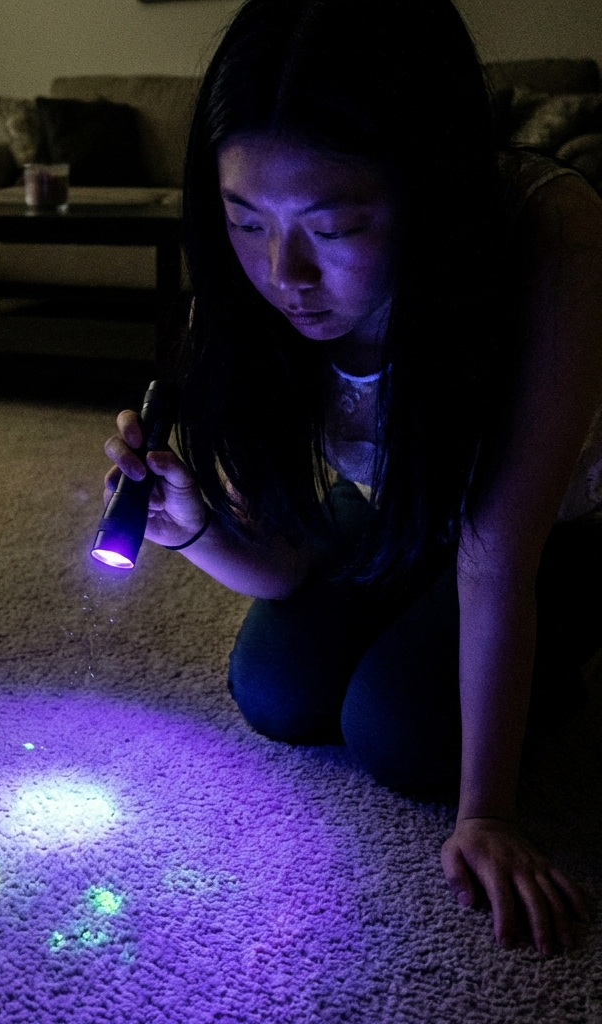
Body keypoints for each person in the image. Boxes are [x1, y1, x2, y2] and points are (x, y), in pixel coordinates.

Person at [103, 0, 602, 956]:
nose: (283, 271)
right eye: (245, 219)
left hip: (556, 530)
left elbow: (498, 559)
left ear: (426, 194)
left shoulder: (549, 234)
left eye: (332, 228)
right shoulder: (249, 285)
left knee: (401, 732)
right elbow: (287, 562)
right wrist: (191, 526)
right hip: (393, 511)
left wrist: (486, 814)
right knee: (278, 690)